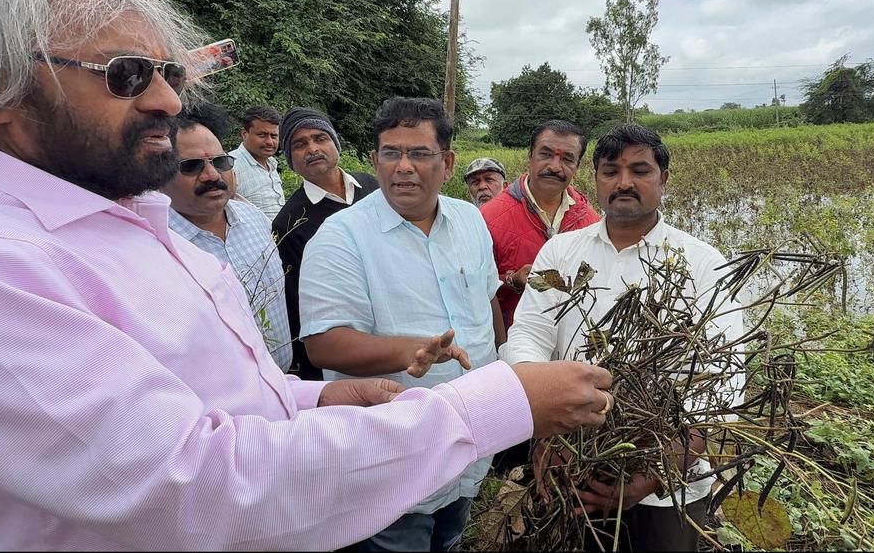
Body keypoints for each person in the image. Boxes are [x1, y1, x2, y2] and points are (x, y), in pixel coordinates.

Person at [0, 0, 616, 551]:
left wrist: (307, 403)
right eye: (126, 75)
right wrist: (494, 405)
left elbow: (200, 406)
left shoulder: (124, 224)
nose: (169, 99)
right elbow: (196, 482)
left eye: (168, 72)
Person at [501, 123, 745, 551]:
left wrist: (659, 467)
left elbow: (724, 376)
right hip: (571, 461)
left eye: (640, 170)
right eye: (611, 171)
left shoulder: (703, 263)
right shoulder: (560, 253)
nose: (624, 182)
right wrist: (545, 428)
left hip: (670, 483)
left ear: (663, 179)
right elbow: (528, 336)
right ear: (595, 179)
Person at [299, 97, 507, 552]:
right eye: (391, 154)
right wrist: (411, 351)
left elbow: (488, 300)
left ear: (447, 163)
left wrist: (502, 361)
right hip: (392, 459)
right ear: (374, 161)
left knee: (450, 539)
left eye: (420, 154)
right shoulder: (341, 237)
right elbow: (325, 345)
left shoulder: (470, 220)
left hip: (468, 444)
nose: (403, 167)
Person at [161, 103, 293, 372]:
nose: (211, 175)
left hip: (288, 382)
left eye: (220, 162)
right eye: (191, 166)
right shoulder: (158, 245)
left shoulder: (253, 218)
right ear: (159, 173)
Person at [272, 106, 379, 380]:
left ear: (335, 144)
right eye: (299, 144)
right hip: (348, 342)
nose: (312, 148)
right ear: (290, 160)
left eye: (320, 138)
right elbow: (299, 303)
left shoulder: (373, 187)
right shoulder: (290, 222)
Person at [481, 119, 600, 326]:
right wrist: (512, 281)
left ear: (577, 167)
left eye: (567, 159)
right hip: (513, 345)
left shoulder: (591, 221)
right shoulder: (488, 217)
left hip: (572, 346)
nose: (554, 166)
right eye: (545, 154)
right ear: (530, 158)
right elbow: (471, 290)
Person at [228, 105, 286, 219]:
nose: (269, 142)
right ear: (245, 134)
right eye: (262, 135)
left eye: (274, 136)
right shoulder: (231, 165)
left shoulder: (272, 164)